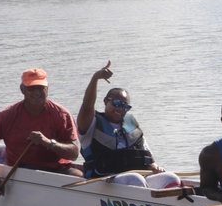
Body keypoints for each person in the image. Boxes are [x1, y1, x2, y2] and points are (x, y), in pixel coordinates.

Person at [0, 68, 82, 199]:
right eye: (31, 88)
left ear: (47, 88)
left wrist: (48, 143)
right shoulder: (5, 116)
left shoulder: (62, 115)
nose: (37, 92)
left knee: (81, 180)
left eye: (41, 87)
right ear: (22, 90)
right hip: (21, 171)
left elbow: (74, 154)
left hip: (56, 169)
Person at [76, 61, 180, 189]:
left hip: (136, 179)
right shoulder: (91, 125)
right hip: (105, 181)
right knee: (135, 179)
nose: (120, 109)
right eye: (117, 103)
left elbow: (148, 158)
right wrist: (95, 78)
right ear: (106, 101)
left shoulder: (132, 129)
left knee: (171, 178)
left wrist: (155, 167)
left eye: (125, 106)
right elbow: (87, 107)